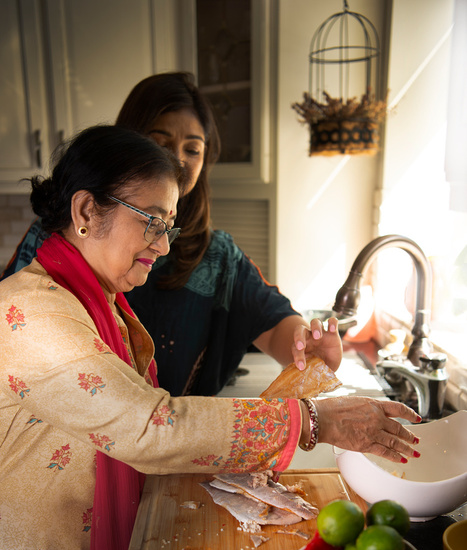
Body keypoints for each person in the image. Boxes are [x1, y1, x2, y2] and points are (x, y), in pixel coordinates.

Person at [0, 125, 421, 550]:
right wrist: (315, 421)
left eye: (168, 226)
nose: (164, 243)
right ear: (86, 210)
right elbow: (150, 425)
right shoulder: (30, 314)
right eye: (151, 221)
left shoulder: (93, 298)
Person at [1, 72, 341, 396]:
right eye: (159, 142)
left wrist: (302, 344)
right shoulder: (50, 261)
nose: (175, 160)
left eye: (192, 149)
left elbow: (274, 319)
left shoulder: (219, 255)